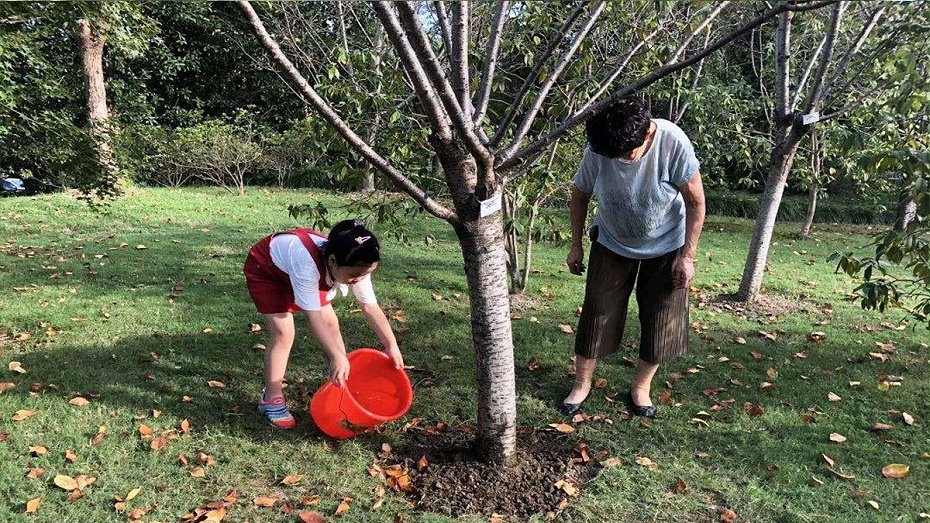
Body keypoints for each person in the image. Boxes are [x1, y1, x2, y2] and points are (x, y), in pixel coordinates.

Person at [562, 97, 705, 418]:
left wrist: (688, 256)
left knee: (661, 318)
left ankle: (641, 388)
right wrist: (575, 245)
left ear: (648, 136)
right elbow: (579, 193)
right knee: (597, 311)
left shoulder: (672, 142)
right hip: (612, 240)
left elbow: (696, 202)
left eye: (626, 154)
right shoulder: (602, 148)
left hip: (667, 242)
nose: (620, 161)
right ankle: (581, 384)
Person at [243, 219, 403, 429]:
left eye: (367, 274)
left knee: (331, 321)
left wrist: (391, 344)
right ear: (333, 261)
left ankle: (341, 382)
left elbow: (370, 307)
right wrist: (337, 356)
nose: (359, 279)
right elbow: (313, 317)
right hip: (267, 270)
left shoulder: (357, 263)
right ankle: (271, 399)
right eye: (354, 276)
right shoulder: (307, 263)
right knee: (284, 332)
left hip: (307, 270)